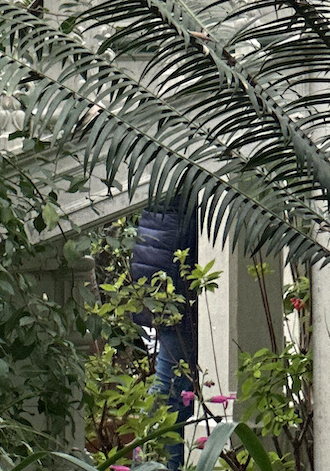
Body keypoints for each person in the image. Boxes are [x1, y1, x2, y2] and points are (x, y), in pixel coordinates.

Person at [129, 201, 199, 470]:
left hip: (165, 262)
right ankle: (159, 464)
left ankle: (152, 462)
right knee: (172, 390)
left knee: (169, 386)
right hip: (174, 270)